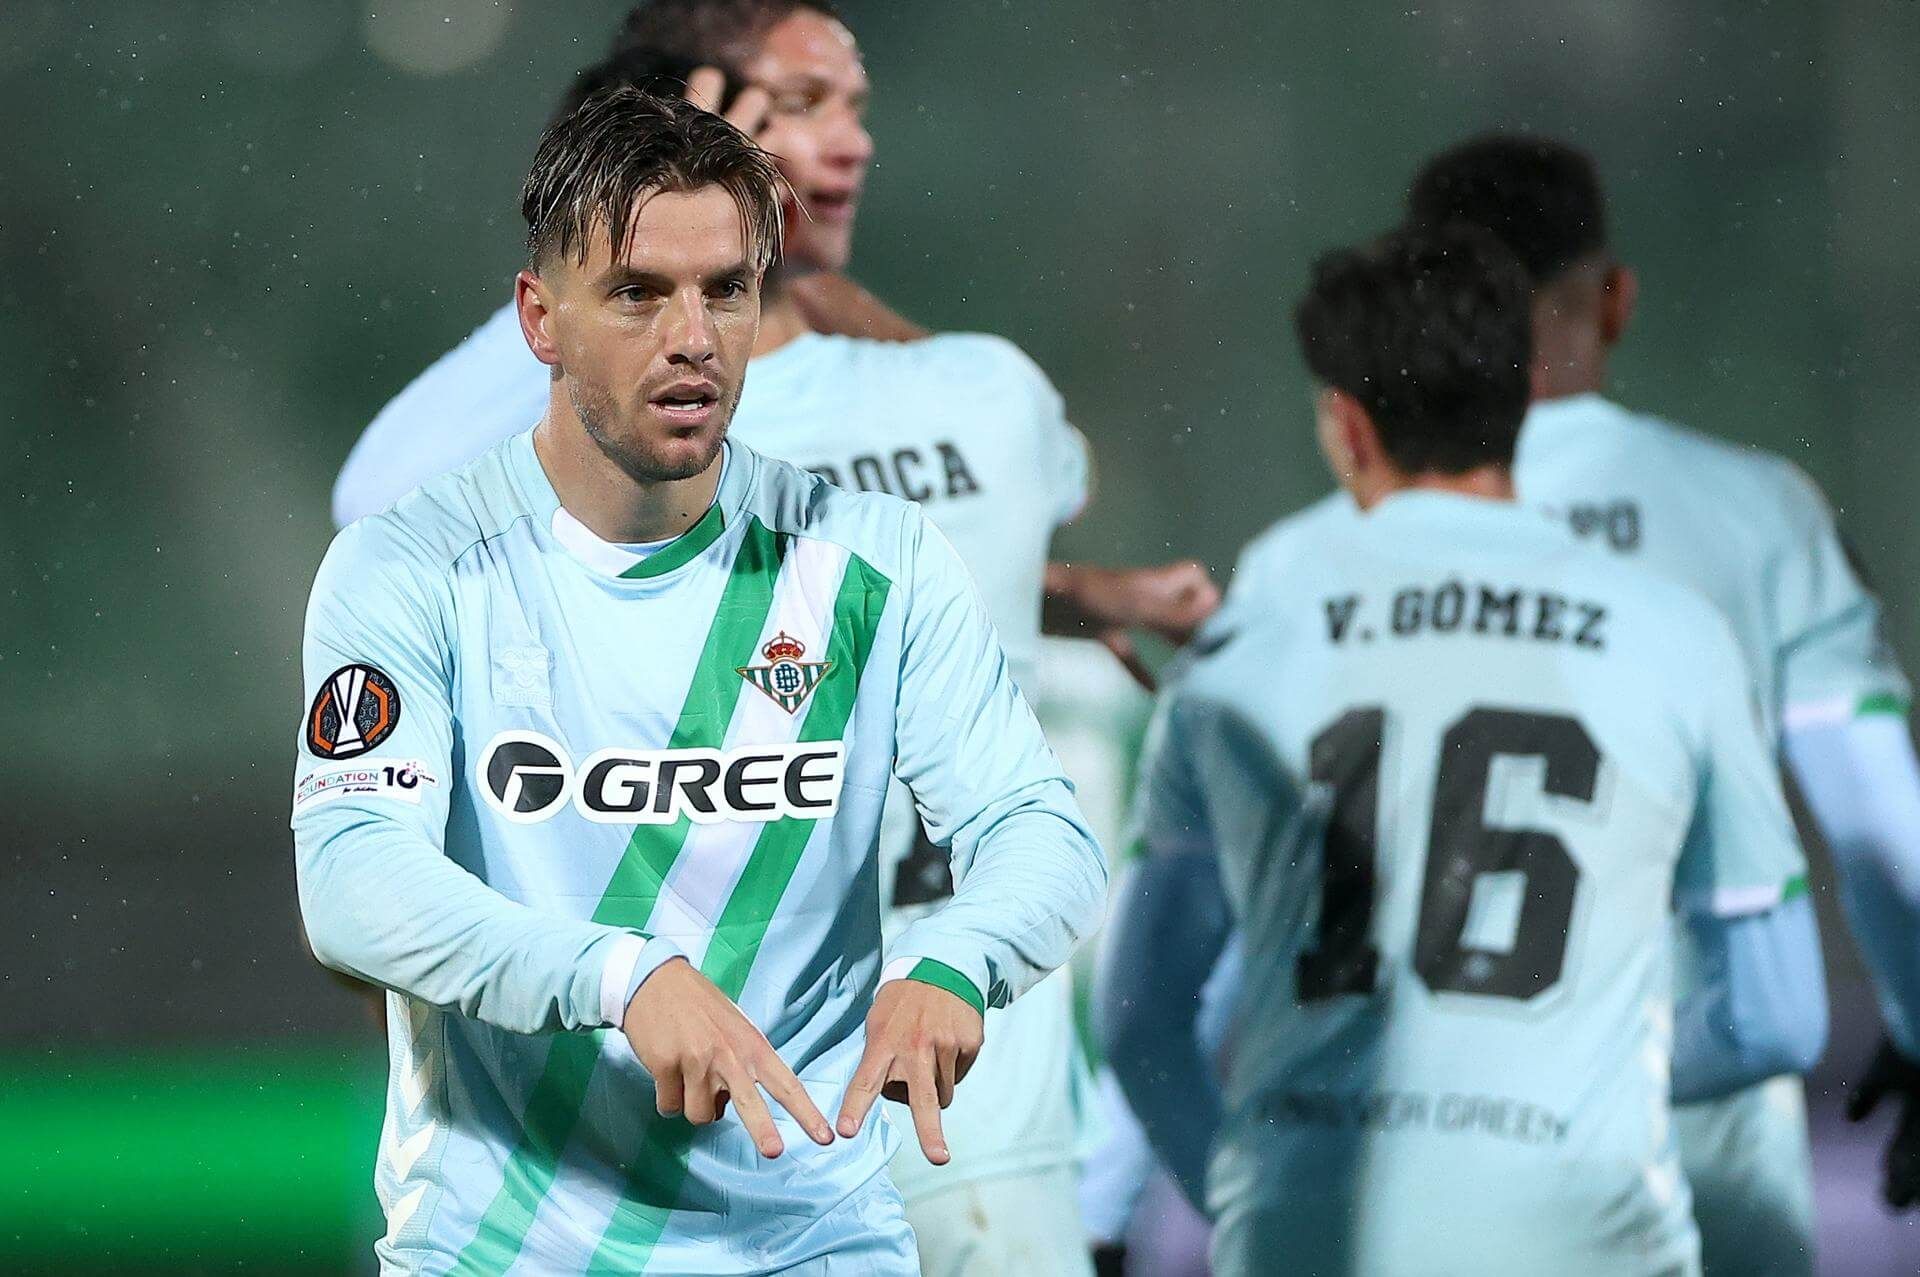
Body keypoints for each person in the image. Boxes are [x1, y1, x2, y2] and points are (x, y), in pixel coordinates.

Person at [329, 6, 1216, 1272]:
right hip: (542, 1222)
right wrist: (617, 973)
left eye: (723, 286)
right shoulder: (975, 395)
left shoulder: (875, 537)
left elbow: (1034, 817)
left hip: (869, 1153)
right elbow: (355, 882)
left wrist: (958, 954)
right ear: (545, 314)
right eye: (803, 106)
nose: (689, 333)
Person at [1100, 224, 1827, 1276]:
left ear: (1347, 424)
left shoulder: (1240, 645)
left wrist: (1247, 1192)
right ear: (1522, 404)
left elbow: (1139, 1021)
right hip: (1580, 1230)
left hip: (1310, 1223)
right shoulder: (1675, 636)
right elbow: (1775, 1020)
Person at [1403, 133, 1920, 1271]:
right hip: (1702, 1159)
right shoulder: (1755, 512)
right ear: (1617, 297)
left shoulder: (1345, 555)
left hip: (1435, 1164)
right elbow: (1882, 824)